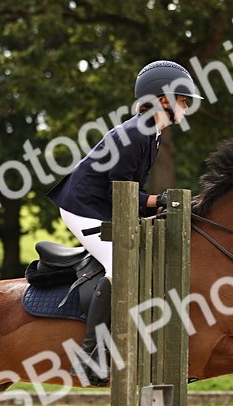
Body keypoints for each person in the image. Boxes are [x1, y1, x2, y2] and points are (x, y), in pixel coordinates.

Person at [47, 60, 200, 386]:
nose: (186, 108)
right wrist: (159, 202)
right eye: (183, 101)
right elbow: (124, 193)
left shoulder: (149, 133)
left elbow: (132, 192)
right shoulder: (136, 134)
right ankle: (88, 358)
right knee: (122, 266)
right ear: (163, 100)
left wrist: (159, 204)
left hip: (104, 204)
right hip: (84, 208)